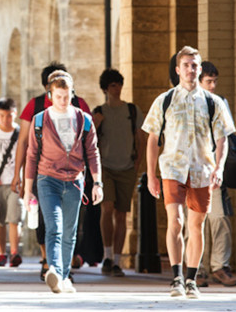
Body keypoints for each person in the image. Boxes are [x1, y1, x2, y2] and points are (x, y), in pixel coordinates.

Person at [143, 46, 235, 299]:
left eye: (195, 65)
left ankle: (192, 278)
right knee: (176, 221)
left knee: (196, 224)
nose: (191, 69)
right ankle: (176, 277)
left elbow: (222, 139)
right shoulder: (165, 100)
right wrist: (151, 175)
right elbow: (152, 139)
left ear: (199, 67)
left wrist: (219, 168)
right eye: (186, 65)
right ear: (177, 69)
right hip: (172, 167)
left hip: (201, 169)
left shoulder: (212, 102)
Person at [23, 70, 103, 294]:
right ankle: (55, 271)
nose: (62, 101)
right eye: (58, 96)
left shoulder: (84, 120)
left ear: (72, 94)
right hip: (48, 178)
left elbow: (93, 153)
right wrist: (28, 191)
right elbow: (31, 156)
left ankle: (65, 276)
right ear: (50, 95)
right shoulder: (40, 120)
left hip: (75, 181)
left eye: (66, 96)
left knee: (70, 231)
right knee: (54, 226)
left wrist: (97, 183)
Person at [10, 62, 92, 280]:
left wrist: (94, 177)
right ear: (48, 87)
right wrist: (19, 176)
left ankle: (63, 267)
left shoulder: (80, 106)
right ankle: (49, 262)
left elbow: (90, 141)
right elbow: (24, 144)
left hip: (74, 175)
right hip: (43, 173)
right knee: (48, 221)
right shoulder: (36, 106)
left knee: (69, 225)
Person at [92, 69, 145, 277]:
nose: (117, 89)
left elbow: (141, 138)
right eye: (113, 85)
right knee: (107, 208)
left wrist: (137, 163)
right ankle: (106, 255)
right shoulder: (99, 111)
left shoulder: (132, 111)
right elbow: (89, 141)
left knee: (121, 214)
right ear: (106, 89)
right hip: (105, 167)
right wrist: (95, 124)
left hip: (127, 167)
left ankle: (116, 260)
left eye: (119, 84)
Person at [194, 61, 236, 287]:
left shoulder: (220, 103)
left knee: (219, 218)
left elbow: (227, 136)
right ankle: (196, 268)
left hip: (213, 170)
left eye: (214, 81)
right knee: (194, 221)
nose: (212, 86)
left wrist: (219, 166)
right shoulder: (186, 101)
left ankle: (220, 266)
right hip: (191, 170)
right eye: (208, 81)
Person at [0, 98, 24, 267]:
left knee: (14, 219)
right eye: (1, 115)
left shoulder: (21, 132)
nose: (5, 119)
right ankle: (2, 253)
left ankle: (15, 253)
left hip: (16, 183)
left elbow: (27, 158)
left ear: (14, 114)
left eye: (9, 116)